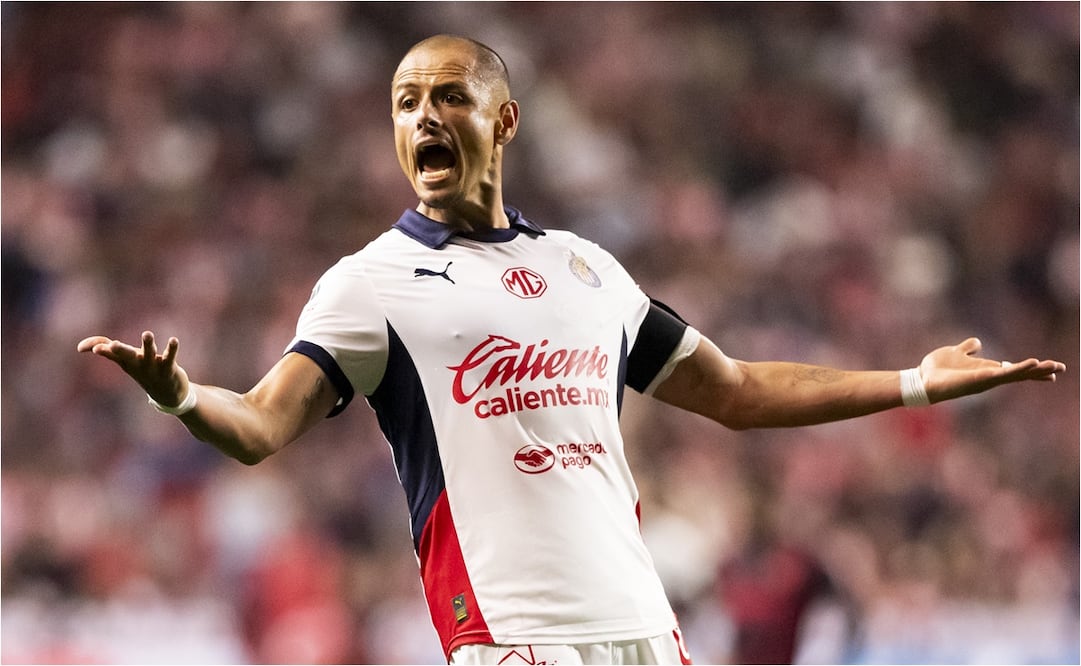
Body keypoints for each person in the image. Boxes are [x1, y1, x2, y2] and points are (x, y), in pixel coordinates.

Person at [77, 34, 1065, 665]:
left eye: (446, 97)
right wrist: (181, 398)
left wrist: (913, 382)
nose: (422, 116)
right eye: (404, 101)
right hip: (513, 639)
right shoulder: (367, 284)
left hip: (644, 630)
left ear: (501, 119)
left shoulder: (589, 271)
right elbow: (257, 425)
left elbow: (737, 390)